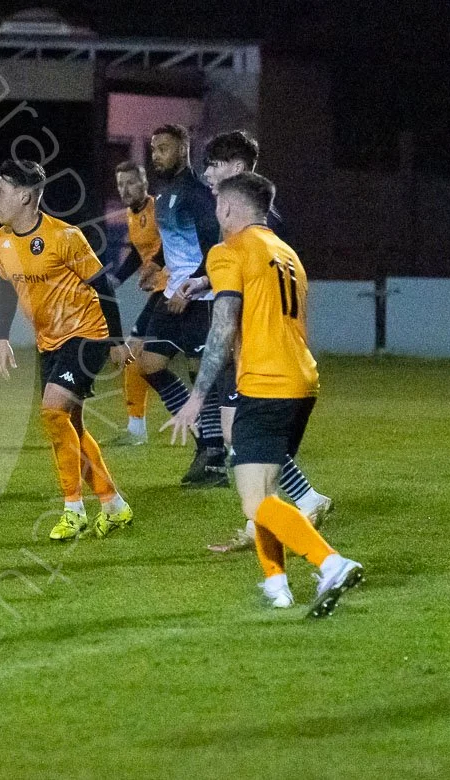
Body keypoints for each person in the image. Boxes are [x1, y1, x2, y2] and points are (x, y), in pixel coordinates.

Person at [164, 173, 363, 616]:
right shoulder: (284, 252)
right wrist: (203, 284)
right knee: (266, 494)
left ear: (229, 210)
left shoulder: (227, 250)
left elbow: (223, 326)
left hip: (264, 385)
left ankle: (331, 563)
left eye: (218, 205)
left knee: (255, 502)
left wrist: (198, 396)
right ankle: (276, 588)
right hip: (302, 383)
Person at [185, 131, 334, 552]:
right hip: (296, 369)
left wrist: (197, 396)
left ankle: (322, 552)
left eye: (214, 166)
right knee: (246, 444)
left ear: (234, 171)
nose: (208, 174)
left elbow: (233, 310)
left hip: (263, 364)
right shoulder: (274, 237)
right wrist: (203, 282)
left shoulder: (244, 230)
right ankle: (273, 558)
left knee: (246, 444)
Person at [0, 159, 135, 541]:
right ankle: (114, 504)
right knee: (71, 425)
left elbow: (103, 285)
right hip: (49, 343)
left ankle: (73, 510)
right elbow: (7, 287)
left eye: (0, 192)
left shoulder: (65, 236)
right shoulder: (3, 239)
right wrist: (1, 337)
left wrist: (117, 341)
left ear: (24, 196)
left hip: (87, 335)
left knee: (53, 411)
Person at [142, 124, 228, 487]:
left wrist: (189, 289)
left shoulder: (197, 194)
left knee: (201, 378)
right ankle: (205, 442)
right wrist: (156, 263)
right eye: (154, 149)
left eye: (163, 148)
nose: (156, 155)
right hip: (172, 293)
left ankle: (213, 458)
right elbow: (177, 239)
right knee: (148, 363)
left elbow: (213, 248)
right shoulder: (165, 195)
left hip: (199, 297)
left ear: (183, 149)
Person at [105, 161, 167, 446]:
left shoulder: (160, 209)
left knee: (136, 353)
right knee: (138, 356)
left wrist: (154, 265)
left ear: (145, 183)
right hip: (162, 292)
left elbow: (173, 244)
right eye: (120, 184)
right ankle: (136, 428)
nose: (124, 189)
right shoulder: (132, 215)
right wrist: (116, 280)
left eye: (130, 182)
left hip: (174, 290)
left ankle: (137, 429)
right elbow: (136, 253)